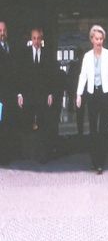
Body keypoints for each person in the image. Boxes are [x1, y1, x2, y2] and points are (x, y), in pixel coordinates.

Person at [75, 25, 108, 175]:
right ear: (91, 40)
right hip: (92, 95)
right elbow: (83, 76)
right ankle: (95, 162)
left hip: (106, 94)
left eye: (101, 39)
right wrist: (79, 94)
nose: (99, 42)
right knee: (93, 129)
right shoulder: (87, 56)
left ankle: (101, 162)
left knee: (104, 130)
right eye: (96, 39)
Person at [19, 27, 63, 162]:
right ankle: (28, 154)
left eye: (38, 38)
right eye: (34, 38)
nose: (36, 41)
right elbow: (21, 76)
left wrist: (50, 93)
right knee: (28, 124)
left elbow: (51, 76)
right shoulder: (25, 54)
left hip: (43, 95)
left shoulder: (47, 54)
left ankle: (42, 155)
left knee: (43, 125)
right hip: (28, 95)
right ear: (31, 39)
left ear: (42, 39)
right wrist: (20, 94)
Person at [0, 20, 16, 164]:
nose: (2, 33)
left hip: (9, 94)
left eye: (4, 30)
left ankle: (6, 154)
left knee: (7, 124)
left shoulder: (10, 47)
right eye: (0, 30)